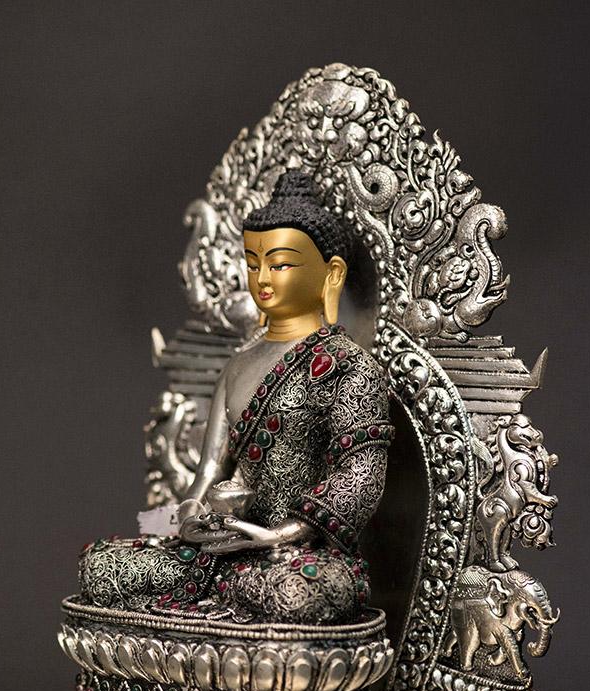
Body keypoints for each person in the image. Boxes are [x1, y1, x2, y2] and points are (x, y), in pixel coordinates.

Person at [79, 171, 392, 624]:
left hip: (298, 554)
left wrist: (277, 536)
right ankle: (223, 598)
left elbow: (360, 474)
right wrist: (191, 516)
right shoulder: (238, 364)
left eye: (280, 264)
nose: (262, 278)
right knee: (102, 565)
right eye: (252, 262)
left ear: (332, 272)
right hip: (221, 549)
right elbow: (210, 469)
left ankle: (232, 602)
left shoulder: (349, 365)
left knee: (295, 594)